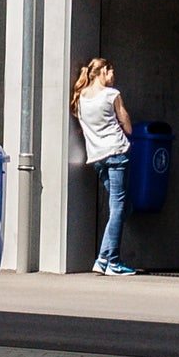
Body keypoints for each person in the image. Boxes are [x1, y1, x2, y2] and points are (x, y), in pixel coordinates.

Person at [73, 57, 136, 276]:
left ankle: (102, 259)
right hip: (117, 153)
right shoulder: (112, 95)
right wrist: (123, 124)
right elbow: (127, 125)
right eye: (111, 71)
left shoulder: (81, 98)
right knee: (119, 207)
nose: (113, 76)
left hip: (97, 157)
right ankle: (113, 261)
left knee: (123, 206)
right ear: (103, 72)